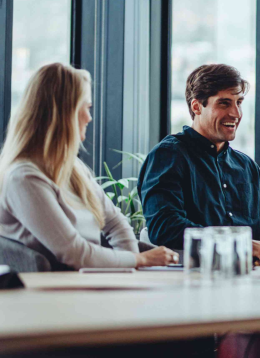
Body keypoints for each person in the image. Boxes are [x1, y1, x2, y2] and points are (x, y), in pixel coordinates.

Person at [0, 63, 178, 269]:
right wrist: (139, 259)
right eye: (86, 107)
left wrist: (130, 266)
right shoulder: (24, 178)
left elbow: (115, 222)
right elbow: (73, 252)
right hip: (51, 293)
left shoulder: (72, 168)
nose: (90, 117)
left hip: (84, 282)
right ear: (65, 114)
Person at [138, 64, 260, 265]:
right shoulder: (168, 155)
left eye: (239, 102)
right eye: (224, 103)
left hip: (250, 281)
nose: (236, 113)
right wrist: (238, 244)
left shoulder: (246, 166)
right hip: (191, 282)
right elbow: (165, 227)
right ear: (197, 107)